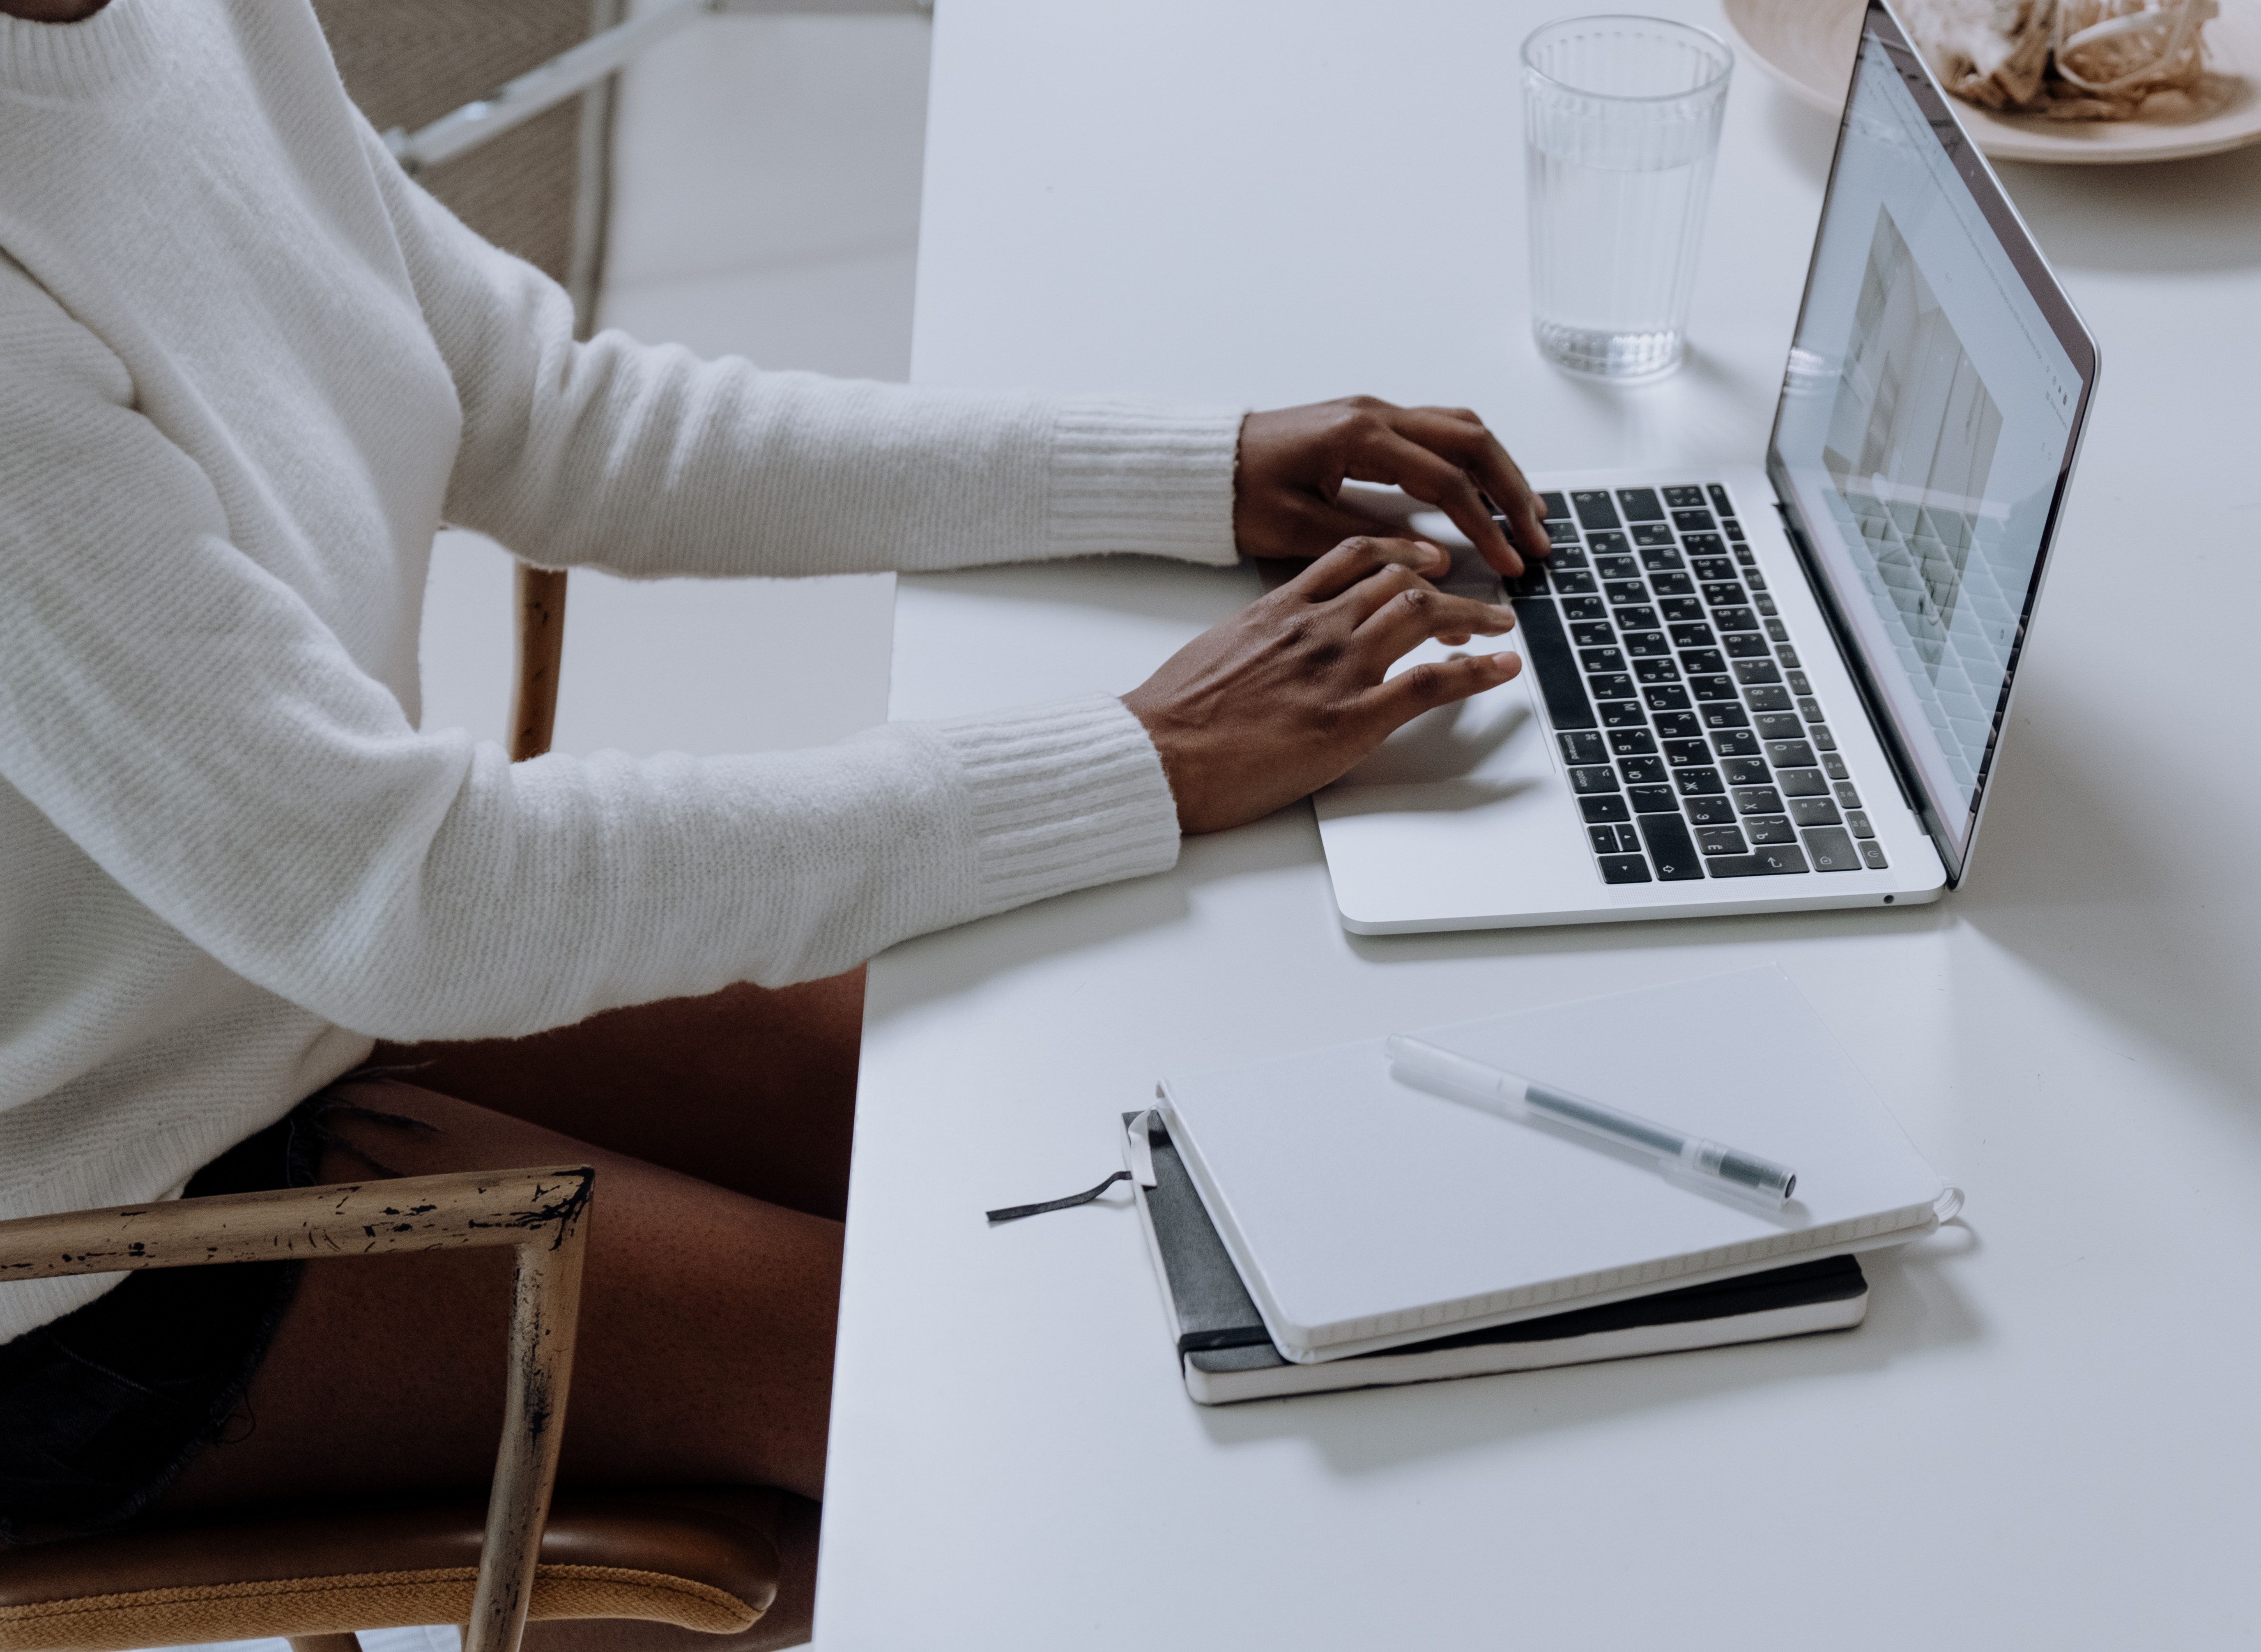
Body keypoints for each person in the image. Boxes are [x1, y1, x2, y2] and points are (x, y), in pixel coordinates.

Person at [0, 0, 1543, 1631]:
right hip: (78, 1250)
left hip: (279, 969)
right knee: (975, 1413)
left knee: (1031, 1128)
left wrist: (1187, 470)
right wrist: (1143, 754)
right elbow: (422, 894)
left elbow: (544, 409)